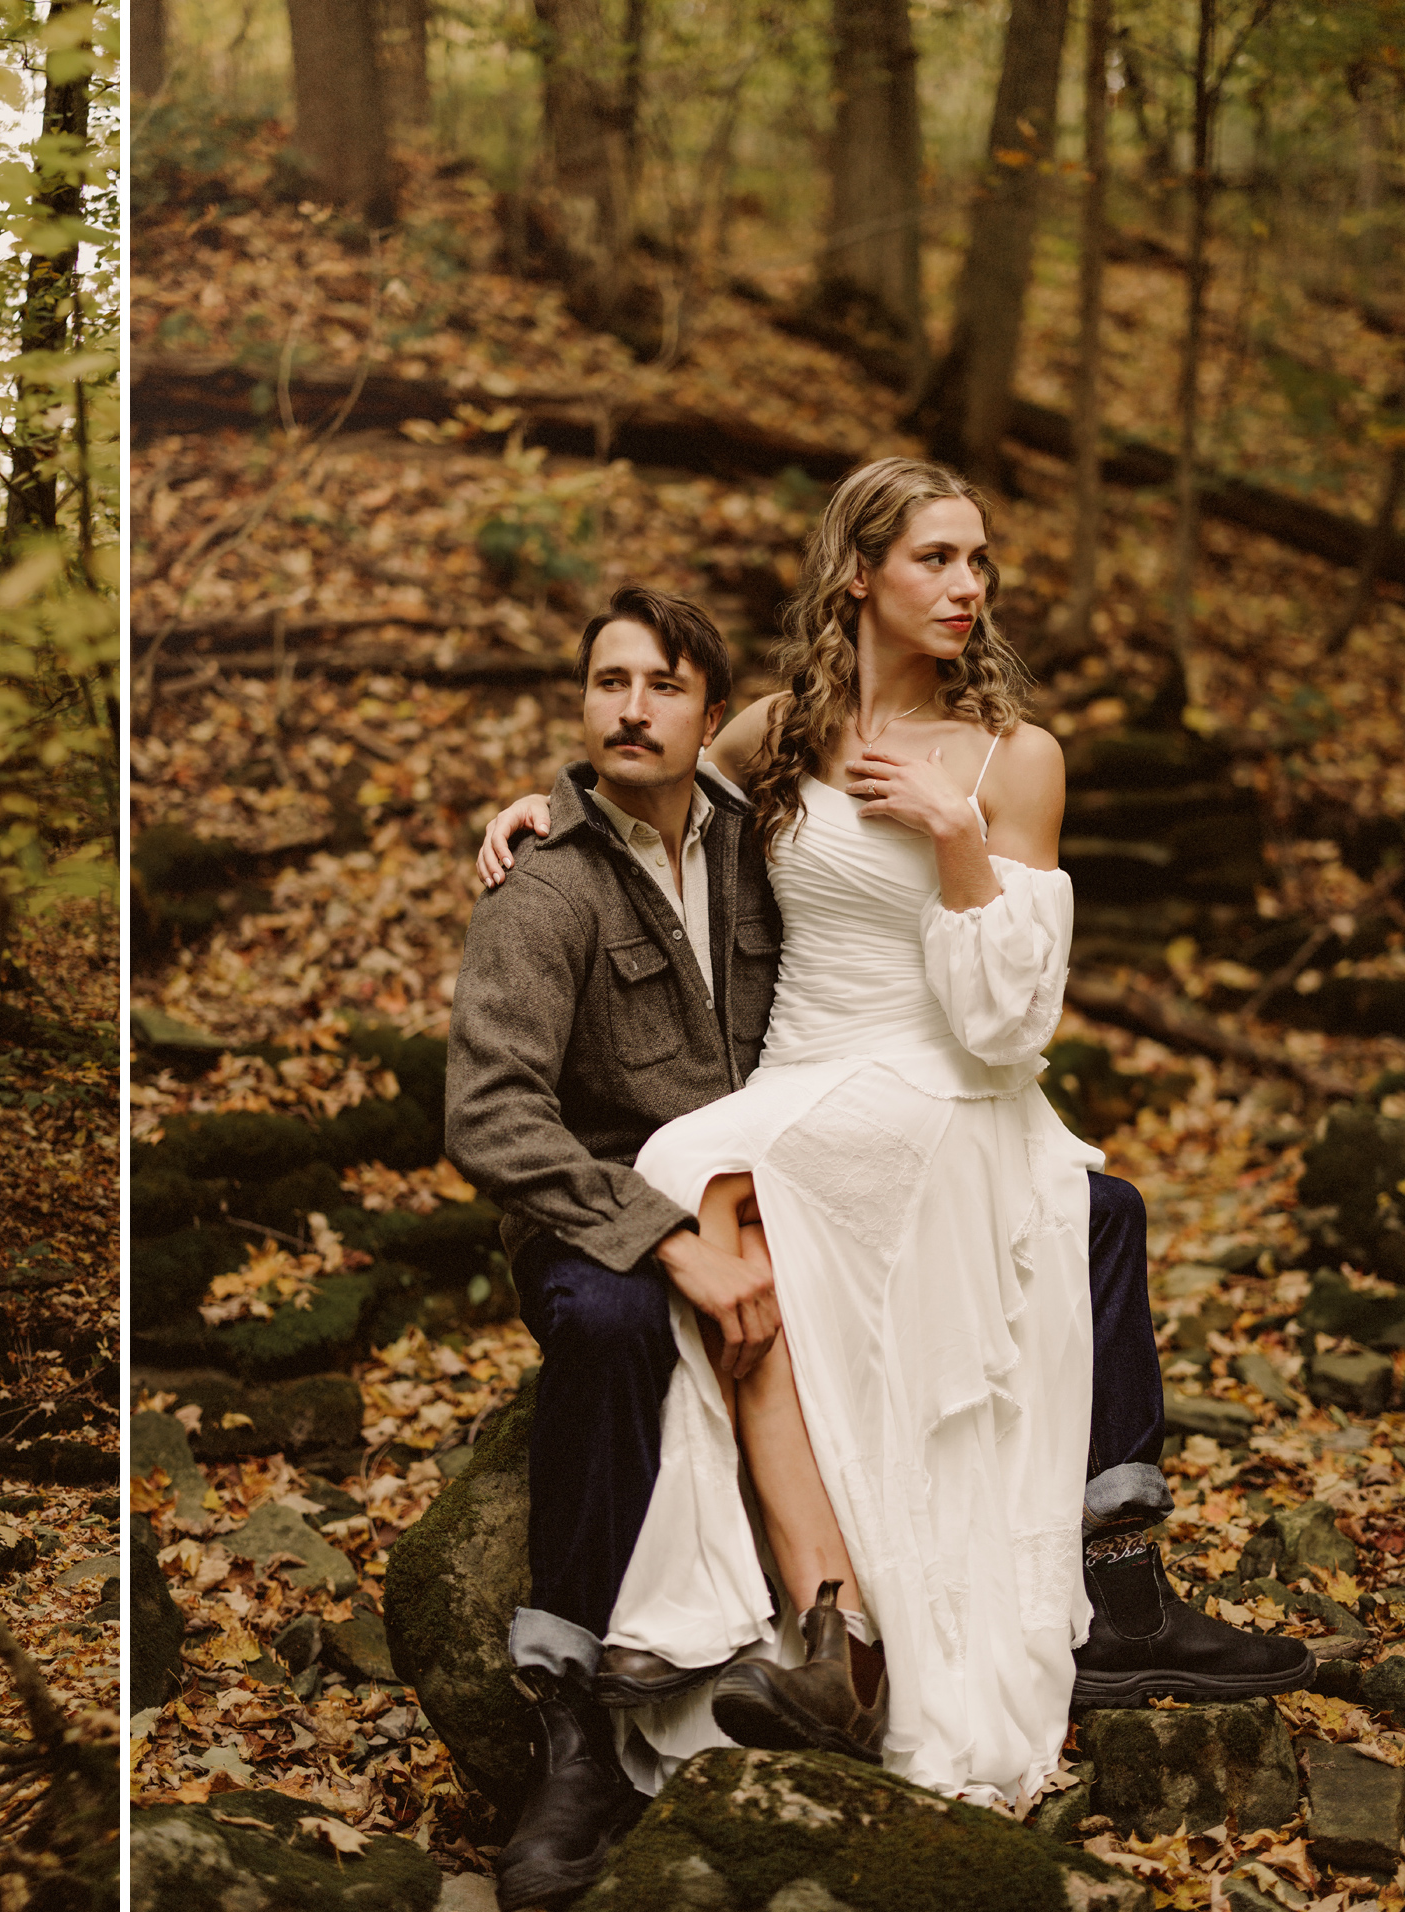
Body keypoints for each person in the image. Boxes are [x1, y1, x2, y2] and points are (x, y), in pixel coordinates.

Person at [447, 493, 1303, 1906]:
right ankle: (803, 1621)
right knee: (709, 1229)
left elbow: (1008, 1024)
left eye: (978, 559)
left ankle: (1082, 1586)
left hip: (936, 1076)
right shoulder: (778, 731)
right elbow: (646, 771)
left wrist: (958, 839)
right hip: (804, 1084)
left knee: (794, 1190)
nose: (970, 584)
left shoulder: (1017, 755)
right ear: (859, 574)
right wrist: (545, 807)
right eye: (936, 558)